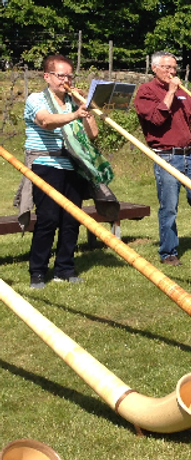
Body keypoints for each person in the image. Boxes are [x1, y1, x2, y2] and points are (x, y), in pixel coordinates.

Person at [134, 51, 191, 266]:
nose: (172, 72)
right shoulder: (146, 91)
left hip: (189, 155)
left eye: (174, 68)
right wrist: (171, 92)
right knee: (169, 207)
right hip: (166, 156)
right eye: (167, 68)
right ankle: (168, 252)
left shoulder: (182, 91)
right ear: (154, 68)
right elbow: (156, 118)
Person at [22, 54, 98, 289]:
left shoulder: (74, 102)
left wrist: (86, 110)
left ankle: (64, 269)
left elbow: (92, 135)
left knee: (71, 219)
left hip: (71, 164)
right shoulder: (36, 99)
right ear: (47, 76)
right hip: (46, 164)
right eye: (60, 75)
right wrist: (74, 115)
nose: (66, 80)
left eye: (69, 75)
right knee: (48, 218)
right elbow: (46, 121)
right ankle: (37, 271)